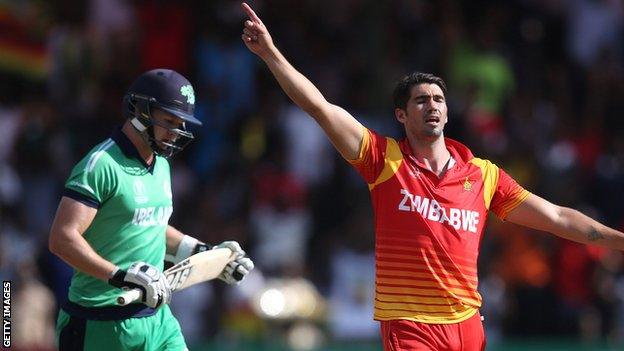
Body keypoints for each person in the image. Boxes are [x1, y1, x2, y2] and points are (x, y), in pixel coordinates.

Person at [239, 3, 624, 350]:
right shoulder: (383, 160)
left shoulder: (483, 175)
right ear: (401, 116)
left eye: (438, 99)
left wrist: (619, 241)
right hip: (410, 325)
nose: (432, 106)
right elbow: (320, 108)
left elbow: (557, 218)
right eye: (421, 100)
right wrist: (271, 55)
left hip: (467, 326)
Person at [48, 69, 255, 351]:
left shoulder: (161, 164)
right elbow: (62, 238)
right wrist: (120, 275)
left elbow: (150, 225)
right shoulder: (101, 164)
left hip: (158, 319)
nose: (176, 130)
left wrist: (206, 254)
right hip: (99, 323)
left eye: (180, 122)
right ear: (140, 110)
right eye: (168, 120)